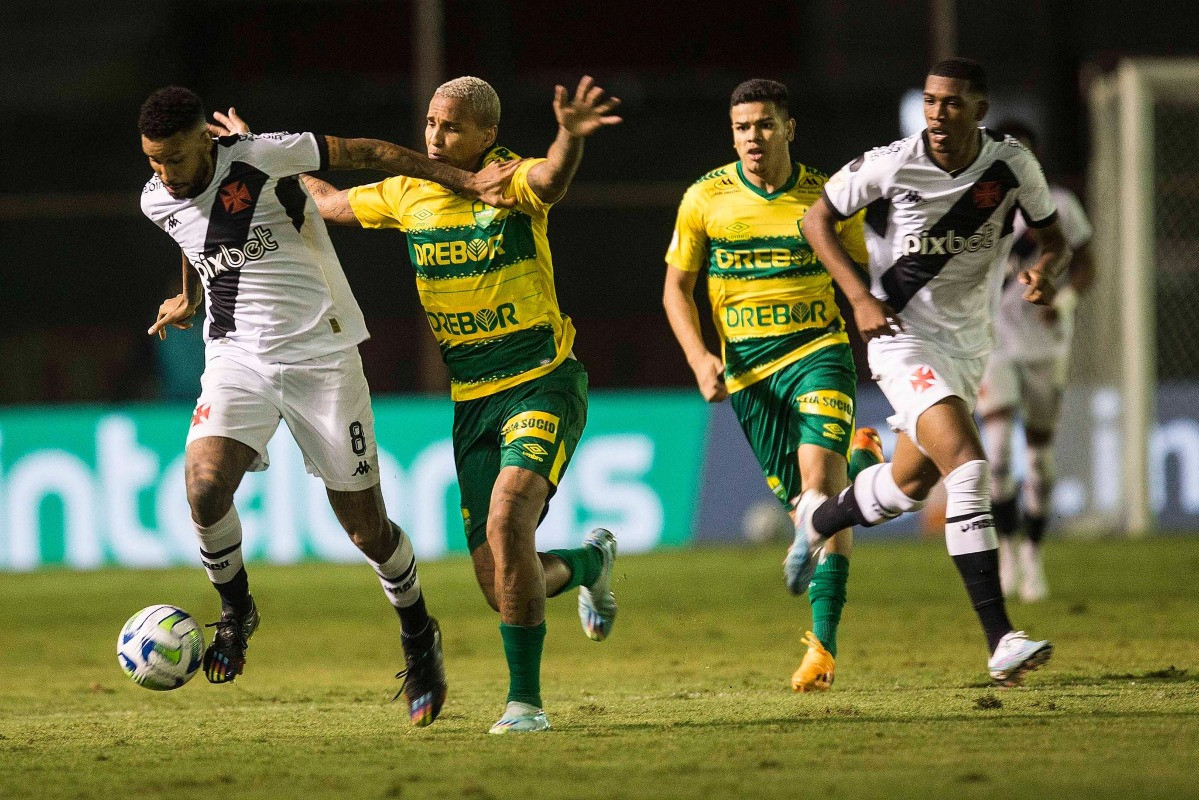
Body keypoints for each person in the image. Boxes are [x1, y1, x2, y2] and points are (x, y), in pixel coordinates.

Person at [215, 75, 622, 733]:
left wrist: (568, 139)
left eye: (451, 126)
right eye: (431, 123)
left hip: (541, 381)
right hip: (472, 403)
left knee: (508, 517)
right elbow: (327, 202)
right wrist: (255, 150)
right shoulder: (409, 192)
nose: (434, 136)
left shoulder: (505, 180)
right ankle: (590, 564)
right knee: (500, 587)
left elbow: (549, 179)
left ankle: (525, 705)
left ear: (486, 135)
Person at [138, 85, 517, 726]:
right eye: (154, 162)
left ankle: (419, 634)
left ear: (205, 137)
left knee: (368, 531)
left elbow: (366, 152)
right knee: (203, 489)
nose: (165, 176)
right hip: (236, 359)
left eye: (175, 158)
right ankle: (235, 611)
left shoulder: (263, 155)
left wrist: (463, 180)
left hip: (322, 356)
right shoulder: (155, 196)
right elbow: (191, 235)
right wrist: (189, 299)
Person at [790, 58, 1071, 687]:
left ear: (979, 109)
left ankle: (817, 521)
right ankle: (1001, 640)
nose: (938, 115)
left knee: (911, 482)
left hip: (970, 347)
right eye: (931, 102)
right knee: (970, 466)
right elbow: (815, 219)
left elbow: (1052, 239)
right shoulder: (894, 161)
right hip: (901, 339)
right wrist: (861, 297)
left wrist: (1044, 271)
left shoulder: (1010, 166)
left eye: (951, 104)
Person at [663, 79, 884, 693]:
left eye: (763, 125)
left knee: (817, 485)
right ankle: (861, 468)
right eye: (741, 128)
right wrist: (699, 357)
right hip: (749, 378)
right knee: (813, 510)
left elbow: (870, 271)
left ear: (790, 128)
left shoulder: (828, 197)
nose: (752, 138)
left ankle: (823, 649)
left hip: (818, 353)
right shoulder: (705, 198)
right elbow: (676, 289)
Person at [977, 120, 1095, 603]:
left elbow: (1086, 263)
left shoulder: (1060, 207)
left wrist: (1062, 301)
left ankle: (1033, 553)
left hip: (1046, 346)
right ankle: (1006, 550)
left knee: (1039, 463)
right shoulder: (978, 208)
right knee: (999, 453)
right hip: (994, 345)